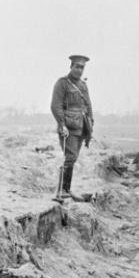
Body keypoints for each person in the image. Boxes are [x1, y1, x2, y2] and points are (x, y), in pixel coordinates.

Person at [51, 55, 94, 199]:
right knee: (70, 157)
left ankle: (66, 190)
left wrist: (91, 124)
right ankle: (62, 191)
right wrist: (61, 124)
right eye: (77, 66)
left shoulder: (83, 85)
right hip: (68, 128)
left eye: (82, 67)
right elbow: (55, 106)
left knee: (73, 158)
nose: (79, 70)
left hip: (82, 127)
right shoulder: (62, 83)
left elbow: (88, 105)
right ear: (71, 67)